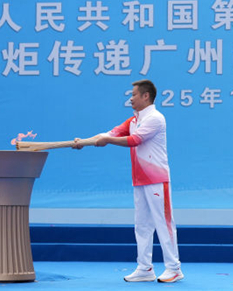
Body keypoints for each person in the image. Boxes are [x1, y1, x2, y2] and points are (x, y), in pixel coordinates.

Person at [73, 79, 184, 283]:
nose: (130, 98)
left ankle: (174, 268)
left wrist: (107, 141)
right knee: (142, 225)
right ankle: (145, 268)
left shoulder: (155, 118)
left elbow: (134, 140)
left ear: (145, 96)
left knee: (163, 223)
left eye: (133, 95)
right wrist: (84, 142)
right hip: (139, 179)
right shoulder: (133, 121)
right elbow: (110, 133)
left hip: (157, 179)